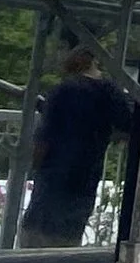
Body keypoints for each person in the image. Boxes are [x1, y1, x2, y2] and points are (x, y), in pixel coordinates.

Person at [15, 47, 129, 249]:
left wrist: (33, 164)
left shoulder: (63, 91)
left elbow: (44, 139)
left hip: (53, 179)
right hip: (85, 180)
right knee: (67, 242)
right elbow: (128, 126)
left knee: (35, 241)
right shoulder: (110, 92)